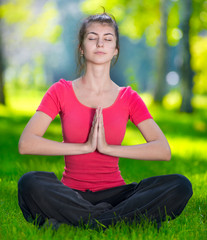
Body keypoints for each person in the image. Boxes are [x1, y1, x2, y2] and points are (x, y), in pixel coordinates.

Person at [17, 11, 193, 231]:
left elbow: (162, 150)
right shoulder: (60, 91)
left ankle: (77, 221)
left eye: (108, 38)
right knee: (29, 183)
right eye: (92, 37)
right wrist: (85, 147)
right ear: (81, 48)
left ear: (115, 50)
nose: (100, 43)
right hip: (72, 193)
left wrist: (109, 149)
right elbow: (26, 144)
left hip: (117, 194)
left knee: (179, 185)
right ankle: (121, 220)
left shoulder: (128, 97)